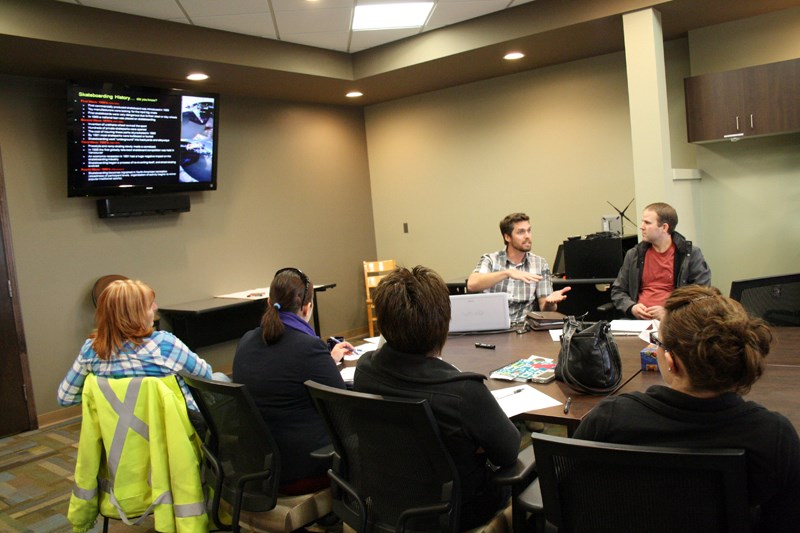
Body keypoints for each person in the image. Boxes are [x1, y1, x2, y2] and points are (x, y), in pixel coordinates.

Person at [574, 285, 800, 532]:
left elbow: (575, 496)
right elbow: (786, 520)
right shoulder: (774, 436)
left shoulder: (610, 419)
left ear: (671, 361)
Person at [355, 265, 521, 530]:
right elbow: (509, 450)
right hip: (458, 513)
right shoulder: (464, 392)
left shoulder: (364, 370)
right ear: (444, 323)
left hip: (387, 501)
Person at [232, 267, 354, 495]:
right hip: (301, 468)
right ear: (307, 308)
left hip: (255, 467)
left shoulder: (247, 340)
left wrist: (325, 359)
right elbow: (342, 409)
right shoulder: (308, 348)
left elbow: (283, 369)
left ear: (269, 301)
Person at [57, 279, 220, 415]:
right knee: (221, 378)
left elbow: (66, 398)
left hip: (119, 436)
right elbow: (205, 375)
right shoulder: (163, 345)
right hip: (173, 431)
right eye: (150, 305)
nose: (155, 308)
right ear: (134, 314)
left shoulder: (91, 350)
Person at [610, 202, 711, 320]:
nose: (641, 226)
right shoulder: (634, 254)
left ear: (664, 227)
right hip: (638, 322)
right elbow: (618, 291)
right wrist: (631, 307)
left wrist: (669, 312)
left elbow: (702, 295)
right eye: (642, 222)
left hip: (675, 323)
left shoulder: (690, 254)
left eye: (647, 223)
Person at [467, 212, 570, 323]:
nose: (527, 236)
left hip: (523, 329)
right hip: (492, 326)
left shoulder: (540, 263)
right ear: (507, 237)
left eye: (529, 230)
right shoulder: (491, 260)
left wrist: (550, 303)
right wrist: (507, 273)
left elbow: (545, 309)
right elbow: (472, 285)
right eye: (521, 232)